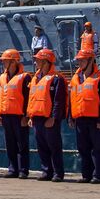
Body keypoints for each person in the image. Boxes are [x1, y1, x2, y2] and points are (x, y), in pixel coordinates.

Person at [68, 49, 100, 183]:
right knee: (83, 148)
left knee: (98, 148)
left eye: (82, 60)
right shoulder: (75, 78)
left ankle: (98, 175)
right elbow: (72, 99)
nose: (79, 62)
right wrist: (71, 117)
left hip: (95, 119)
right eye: (78, 60)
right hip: (80, 118)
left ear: (91, 61)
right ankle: (86, 175)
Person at [28, 48, 68, 182]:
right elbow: (32, 98)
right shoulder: (35, 78)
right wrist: (30, 116)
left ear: (45, 62)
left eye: (38, 60)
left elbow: (58, 101)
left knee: (54, 147)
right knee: (42, 147)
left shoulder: (57, 79)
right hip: (37, 118)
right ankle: (46, 171)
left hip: (49, 119)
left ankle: (58, 173)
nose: (35, 63)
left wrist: (53, 117)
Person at [0, 49, 33, 178]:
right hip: (6, 115)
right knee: (10, 144)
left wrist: (26, 116)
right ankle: (13, 169)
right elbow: (0, 96)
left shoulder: (25, 77)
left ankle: (23, 170)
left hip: (19, 116)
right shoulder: (2, 77)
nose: (3, 63)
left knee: (22, 144)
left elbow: (28, 97)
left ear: (13, 62)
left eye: (5, 61)